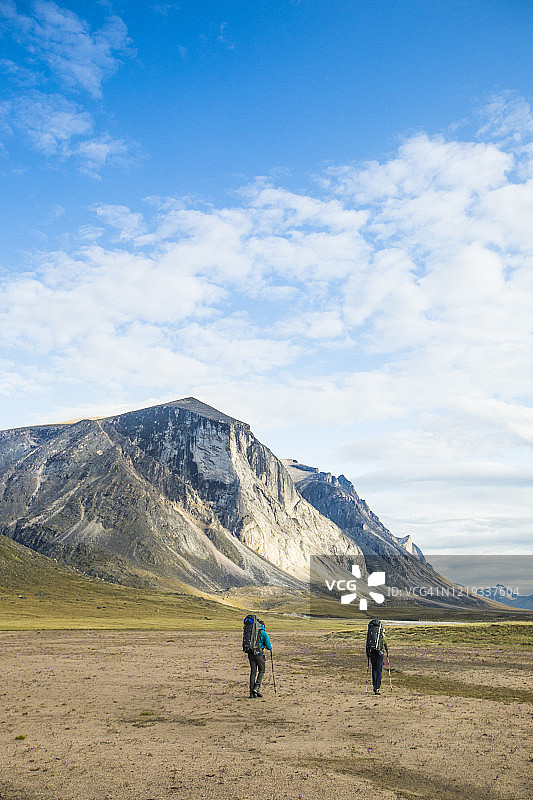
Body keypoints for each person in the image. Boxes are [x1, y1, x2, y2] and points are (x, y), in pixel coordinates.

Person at [248, 619, 272, 698]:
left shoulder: (251, 632)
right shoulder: (263, 633)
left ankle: (251, 693)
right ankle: (256, 688)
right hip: (259, 654)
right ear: (263, 625)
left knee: (253, 672)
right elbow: (268, 646)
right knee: (262, 670)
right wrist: (270, 646)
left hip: (250, 653)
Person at [366, 618, 388, 695]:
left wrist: (368, 653)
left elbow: (367, 642)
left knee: (374, 669)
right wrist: (387, 649)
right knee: (379, 670)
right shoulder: (380, 631)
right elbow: (384, 641)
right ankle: (377, 688)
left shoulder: (370, 630)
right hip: (379, 652)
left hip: (372, 652)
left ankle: (374, 686)